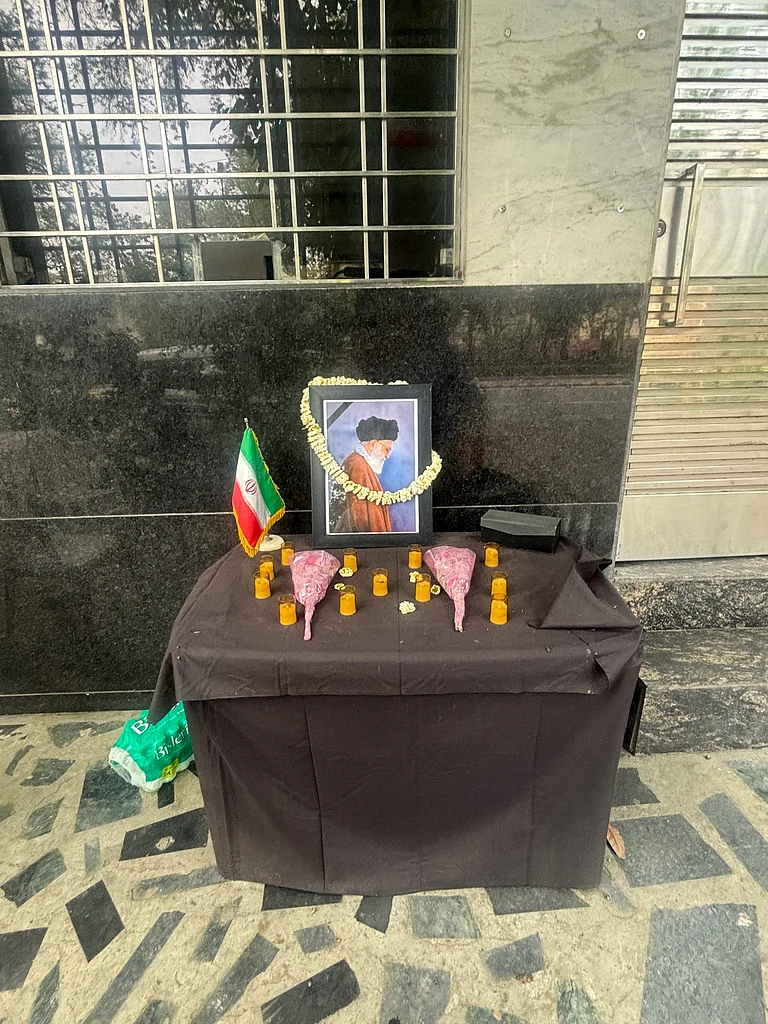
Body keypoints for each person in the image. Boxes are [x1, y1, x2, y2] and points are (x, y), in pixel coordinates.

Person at [335, 415, 399, 532]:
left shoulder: (360, 462)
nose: (388, 456)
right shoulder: (358, 466)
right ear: (373, 444)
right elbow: (362, 516)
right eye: (387, 449)